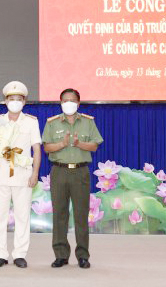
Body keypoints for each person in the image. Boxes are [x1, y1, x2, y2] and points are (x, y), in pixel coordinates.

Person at [42, 88, 103, 269]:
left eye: (72, 100)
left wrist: (79, 144)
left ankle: (83, 256)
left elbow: (94, 146)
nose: (68, 103)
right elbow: (46, 148)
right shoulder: (52, 123)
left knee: (81, 215)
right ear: (61, 103)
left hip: (80, 172)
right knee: (60, 214)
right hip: (59, 172)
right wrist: (62, 144)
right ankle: (61, 255)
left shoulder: (88, 122)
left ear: (78, 103)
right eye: (65, 100)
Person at [0, 81, 41, 269]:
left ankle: (19, 254)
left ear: (24, 102)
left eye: (19, 99)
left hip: (23, 175)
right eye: (11, 99)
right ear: (5, 101)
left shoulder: (31, 121)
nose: (15, 102)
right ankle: (0, 254)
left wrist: (35, 173)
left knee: (22, 216)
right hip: (1, 174)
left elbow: (36, 149)